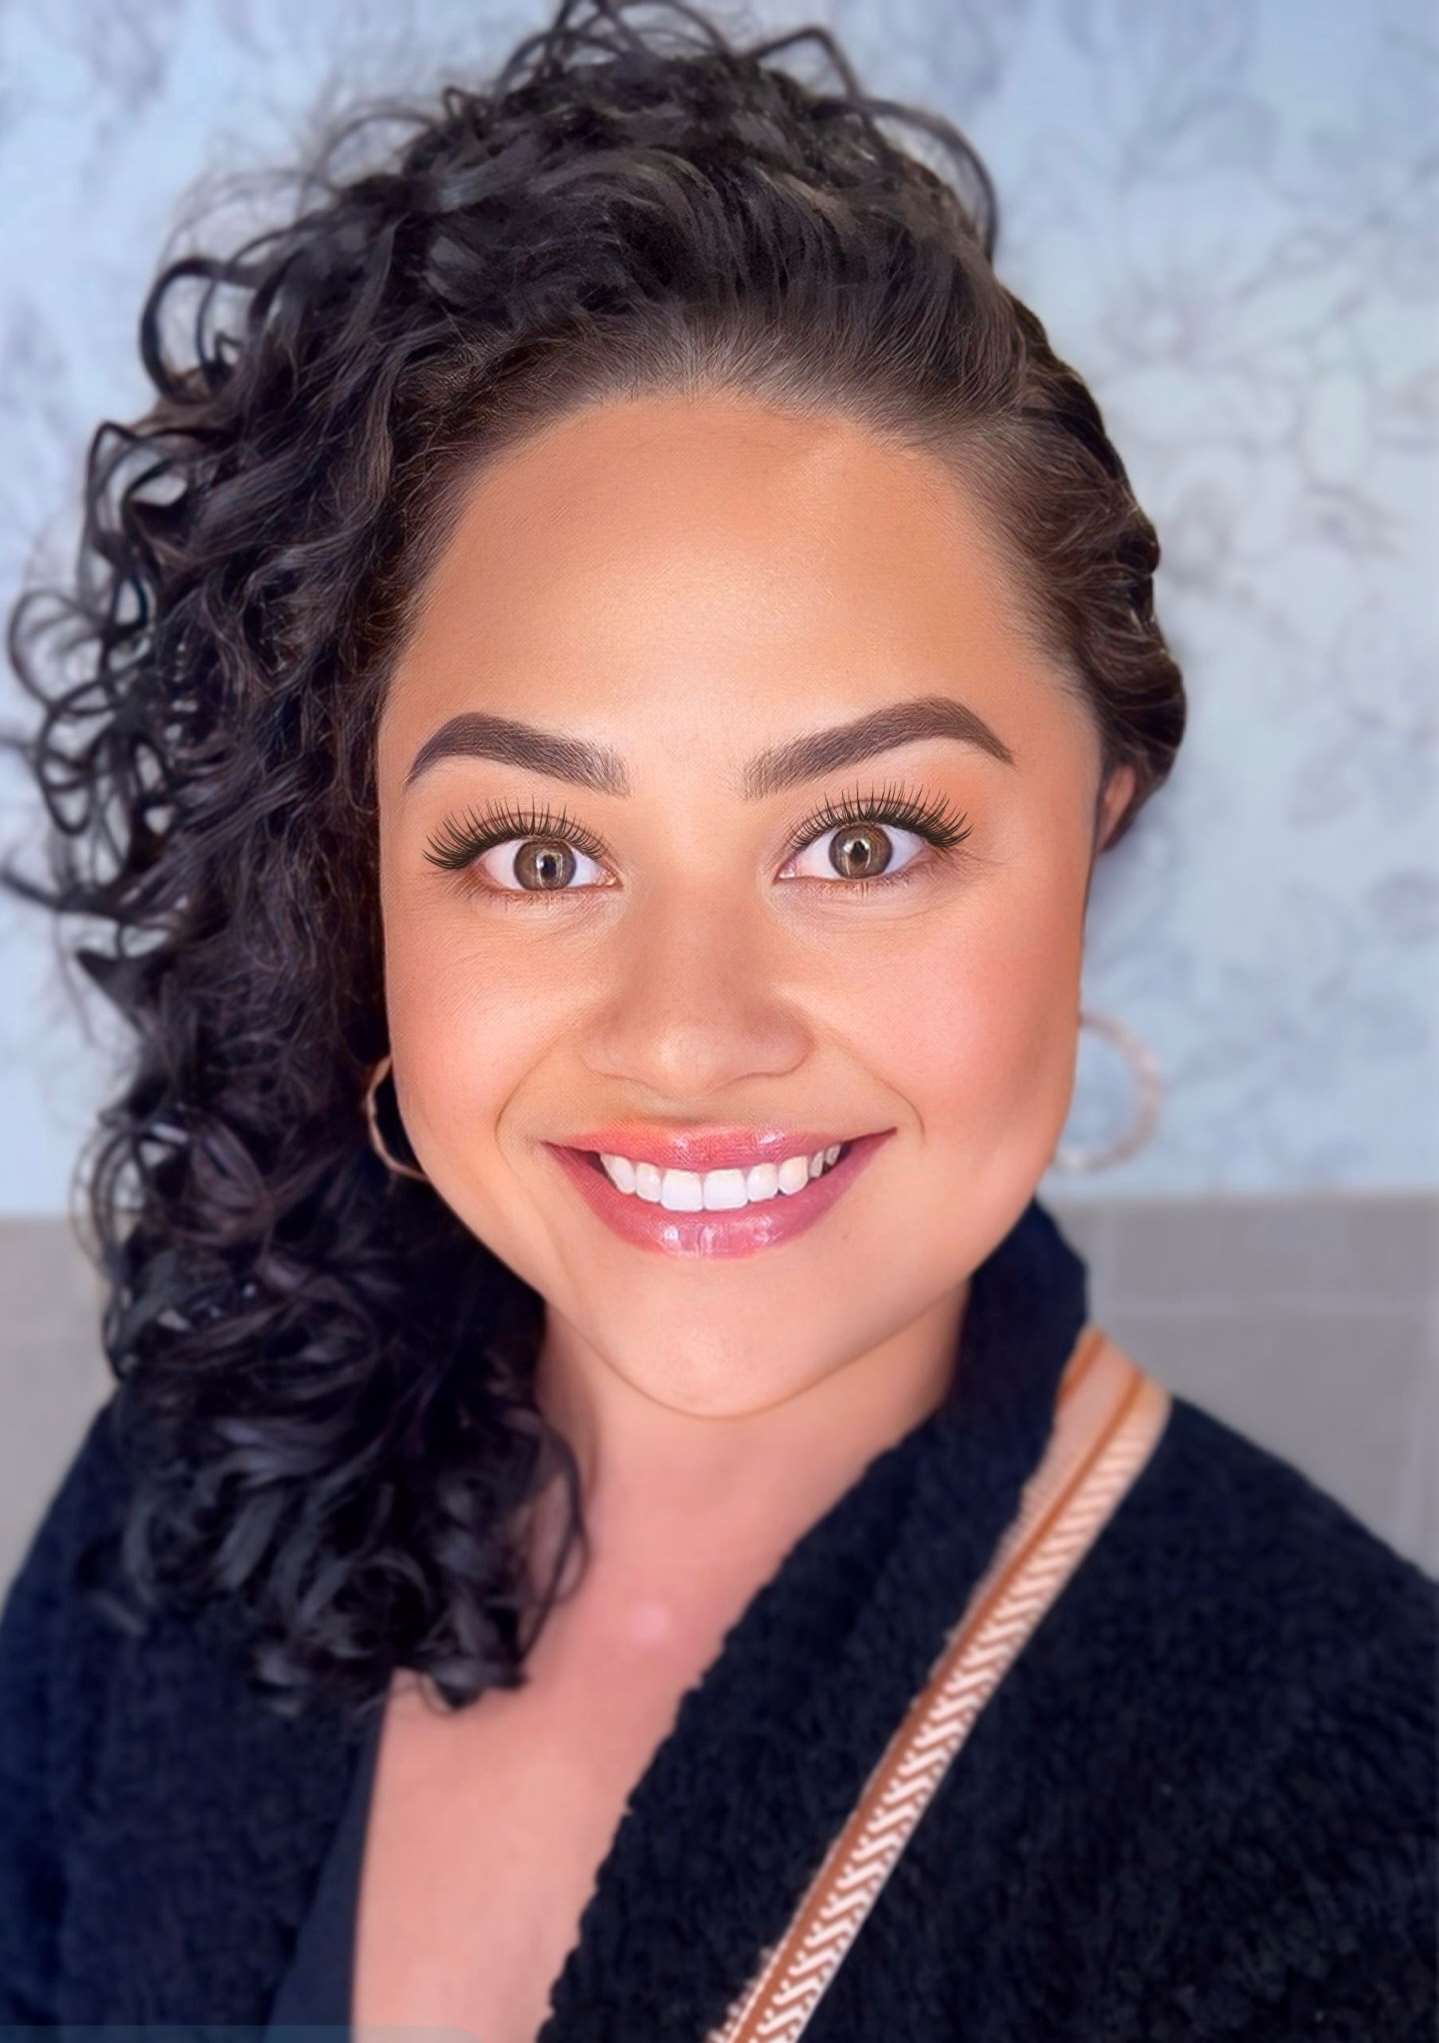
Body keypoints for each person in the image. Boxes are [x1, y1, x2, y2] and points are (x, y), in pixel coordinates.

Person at [0, 1, 1433, 2037]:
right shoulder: (191, 1503)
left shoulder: (1334, 1803)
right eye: (532, 849)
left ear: (1095, 826)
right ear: (364, 878)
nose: (688, 1033)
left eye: (861, 838)